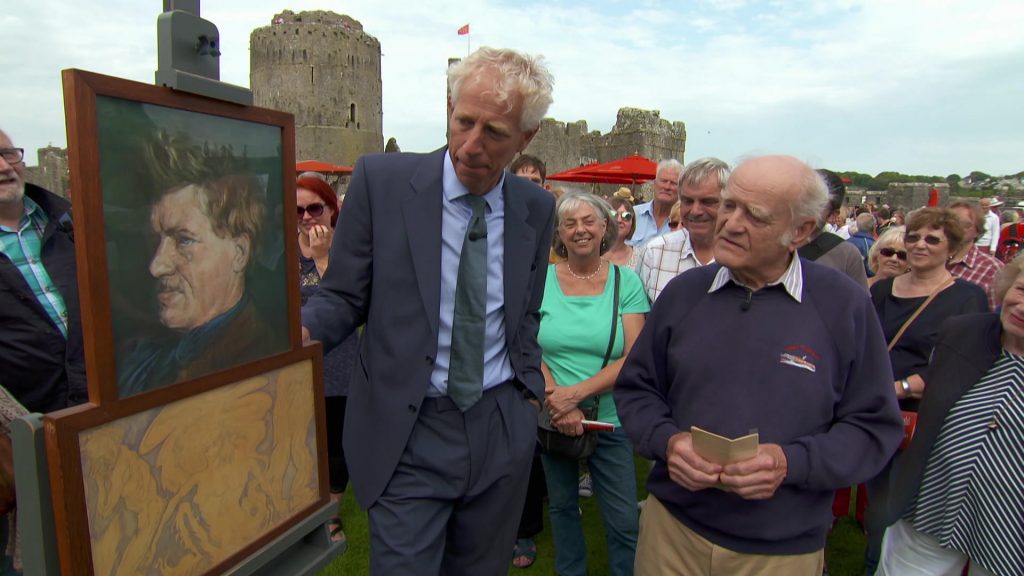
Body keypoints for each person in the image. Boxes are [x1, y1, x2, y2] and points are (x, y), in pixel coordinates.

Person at [301, 47, 555, 574]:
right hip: (405, 431)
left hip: (498, 428)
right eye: (464, 122)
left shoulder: (536, 207)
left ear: (526, 138)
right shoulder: (382, 182)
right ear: (448, 106)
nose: (471, 145)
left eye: (495, 133)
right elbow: (344, 295)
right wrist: (298, 333)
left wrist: (525, 400)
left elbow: (525, 315)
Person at [615, 155, 903, 575]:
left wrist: (791, 463)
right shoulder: (683, 294)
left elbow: (873, 426)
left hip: (780, 549)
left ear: (801, 230)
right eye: (729, 205)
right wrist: (667, 442)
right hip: (672, 532)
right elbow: (637, 390)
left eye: (755, 215)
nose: (730, 223)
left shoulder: (844, 305)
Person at [875, 256, 1024, 576]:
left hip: (1012, 525)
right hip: (931, 500)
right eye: (1022, 289)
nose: (1022, 307)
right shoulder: (963, 333)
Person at [863, 207, 988, 573]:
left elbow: (961, 365)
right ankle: (874, 560)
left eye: (932, 239)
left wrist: (900, 387)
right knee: (876, 504)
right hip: (875, 407)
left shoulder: (967, 298)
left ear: (952, 248)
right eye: (913, 236)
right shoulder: (883, 289)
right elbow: (863, 344)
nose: (919, 245)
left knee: (894, 508)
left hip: (923, 417)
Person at [118, 132, 288, 396]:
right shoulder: (145, 357)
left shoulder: (259, 355)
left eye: (184, 241)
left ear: (239, 252)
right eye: (156, 240)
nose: (157, 266)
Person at [540, 191, 648, 576]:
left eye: (589, 221)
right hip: (553, 416)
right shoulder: (541, 279)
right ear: (559, 233)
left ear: (606, 227)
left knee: (623, 520)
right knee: (563, 508)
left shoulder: (627, 282)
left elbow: (633, 356)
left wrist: (576, 396)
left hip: (608, 419)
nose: (580, 230)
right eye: (569, 223)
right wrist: (556, 400)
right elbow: (526, 347)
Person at [0, 129, 87, 413]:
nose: (4, 167)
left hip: (101, 402)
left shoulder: (73, 222)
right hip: (29, 423)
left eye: (8, 154)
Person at [296, 175, 360, 543]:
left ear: (332, 210)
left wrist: (322, 258)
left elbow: (343, 302)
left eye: (314, 208)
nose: (306, 217)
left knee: (336, 441)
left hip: (337, 361)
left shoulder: (346, 251)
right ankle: (303, 509)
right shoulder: (285, 249)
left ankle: (332, 512)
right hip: (296, 362)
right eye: (298, 210)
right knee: (303, 441)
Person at [637, 157, 729, 302]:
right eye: (688, 201)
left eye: (707, 202)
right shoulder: (654, 252)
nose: (695, 211)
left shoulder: (746, 259)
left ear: (728, 203)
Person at [797, 168, 867, 288]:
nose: (804, 208)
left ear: (833, 214)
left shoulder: (846, 254)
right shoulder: (767, 243)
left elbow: (858, 305)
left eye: (817, 204)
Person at [948, 200, 1004, 311]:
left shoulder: (992, 269)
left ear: (977, 231)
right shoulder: (930, 259)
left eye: (964, 225)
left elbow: (995, 317)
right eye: (949, 223)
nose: (955, 228)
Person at [629, 159, 682, 247]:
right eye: (664, 181)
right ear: (654, 183)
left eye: (673, 183)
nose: (667, 187)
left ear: (681, 189)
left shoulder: (683, 223)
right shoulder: (633, 214)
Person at [604, 196, 638, 268]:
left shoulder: (639, 257)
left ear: (632, 223)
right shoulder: (592, 252)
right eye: (613, 214)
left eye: (626, 216)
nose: (619, 220)